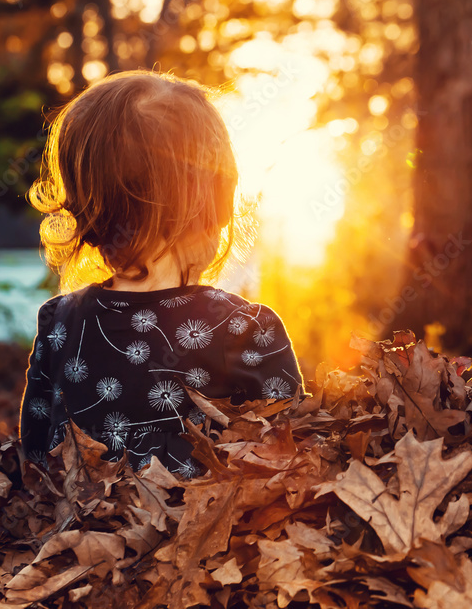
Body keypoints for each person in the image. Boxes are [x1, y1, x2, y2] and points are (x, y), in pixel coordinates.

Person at [18, 71, 304, 477]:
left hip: (81, 534)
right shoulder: (245, 329)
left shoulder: (59, 324)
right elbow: (295, 455)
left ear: (83, 212)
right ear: (220, 202)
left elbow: (35, 460)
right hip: (209, 538)